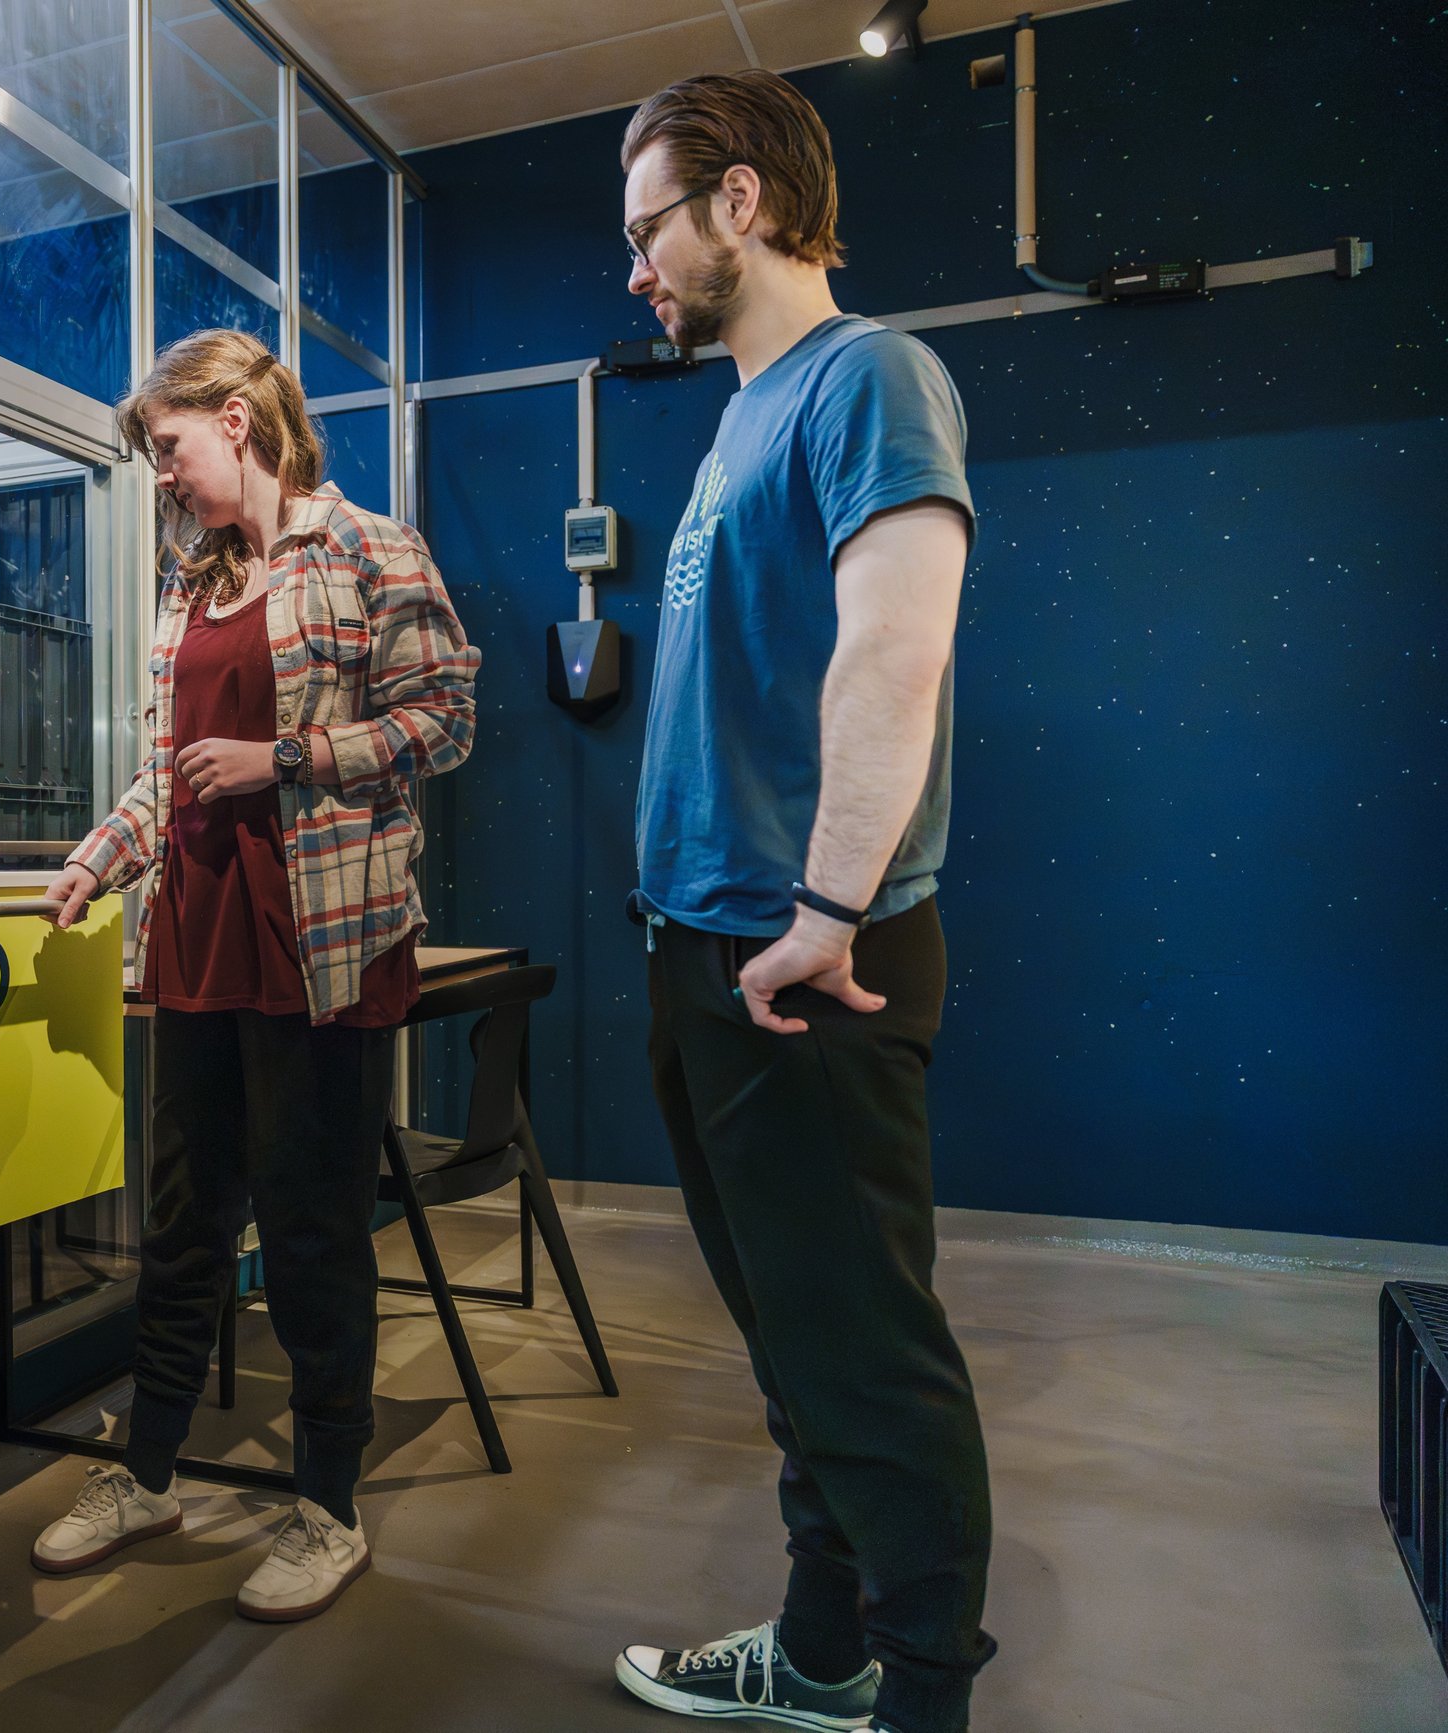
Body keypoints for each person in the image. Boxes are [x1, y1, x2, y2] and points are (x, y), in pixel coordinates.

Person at [607, 71, 992, 1733]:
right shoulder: (734, 420)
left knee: (870, 1367)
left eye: (651, 230)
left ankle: (919, 1699)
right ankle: (824, 1653)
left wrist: (829, 904)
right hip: (713, 948)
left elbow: (898, 650)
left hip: (808, 959)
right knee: (798, 1358)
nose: (636, 268)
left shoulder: (871, 377)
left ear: (741, 204)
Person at [35, 328, 479, 1622]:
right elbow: (169, 770)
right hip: (199, 952)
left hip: (324, 954)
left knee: (310, 1232)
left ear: (236, 420)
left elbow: (442, 718)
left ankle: (327, 1504)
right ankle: (151, 1470)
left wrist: (282, 761)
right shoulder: (189, 588)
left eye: (167, 450)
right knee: (180, 1228)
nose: (161, 477)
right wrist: (100, 862)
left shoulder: (367, 551)